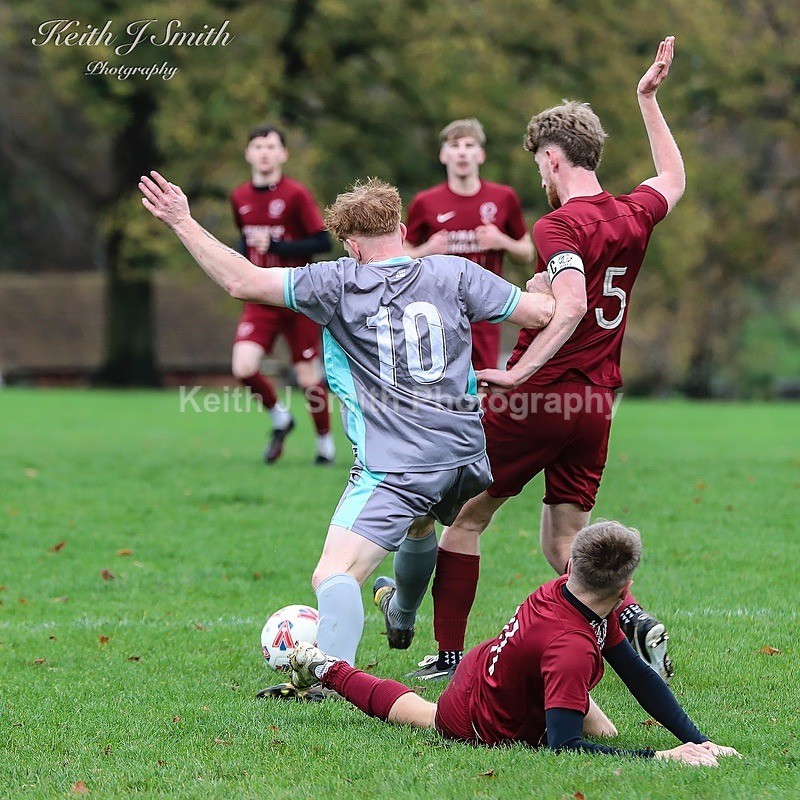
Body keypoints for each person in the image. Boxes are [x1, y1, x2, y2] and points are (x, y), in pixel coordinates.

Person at [138, 172, 555, 699]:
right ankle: (401, 613)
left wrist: (182, 220)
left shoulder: (336, 280)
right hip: (466, 454)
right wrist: (551, 278)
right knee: (421, 525)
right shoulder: (455, 273)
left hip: (397, 462)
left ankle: (330, 685)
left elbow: (242, 281)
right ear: (403, 229)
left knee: (333, 576)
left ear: (352, 245)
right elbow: (541, 312)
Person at [390, 37, 686, 682]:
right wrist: (647, 100)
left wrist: (520, 373)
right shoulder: (632, 213)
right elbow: (672, 179)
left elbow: (571, 306)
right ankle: (634, 620)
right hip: (596, 404)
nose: (539, 177)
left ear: (552, 160)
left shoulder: (560, 226)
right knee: (563, 547)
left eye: (539, 166)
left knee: (464, 521)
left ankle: (444, 658)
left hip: (541, 397)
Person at [288, 521, 740, 766]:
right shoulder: (572, 649)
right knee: (428, 717)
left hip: (497, 663)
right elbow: (564, 748)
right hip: (473, 714)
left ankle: (331, 666)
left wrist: (700, 742)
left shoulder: (568, 592)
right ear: (626, 589)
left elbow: (637, 673)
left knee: (605, 731)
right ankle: (328, 668)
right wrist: (663, 756)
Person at [230, 124, 335, 464]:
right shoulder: (239, 197)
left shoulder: (295, 195)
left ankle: (324, 445)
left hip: (296, 295)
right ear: (248, 153)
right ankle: (280, 417)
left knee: (308, 377)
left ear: (282, 154)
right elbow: (243, 242)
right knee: (243, 366)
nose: (264, 152)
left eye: (271, 146)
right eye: (257, 146)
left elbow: (322, 241)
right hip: (261, 296)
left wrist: (278, 245)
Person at [405, 118, 534, 371]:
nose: (462, 151)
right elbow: (401, 254)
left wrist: (502, 241)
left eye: (469, 144)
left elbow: (526, 252)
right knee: (440, 384)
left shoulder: (503, 197)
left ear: (481, 154)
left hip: (486, 311)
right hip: (438, 311)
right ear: (443, 155)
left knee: (483, 385)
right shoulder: (425, 201)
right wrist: (426, 250)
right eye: (454, 145)